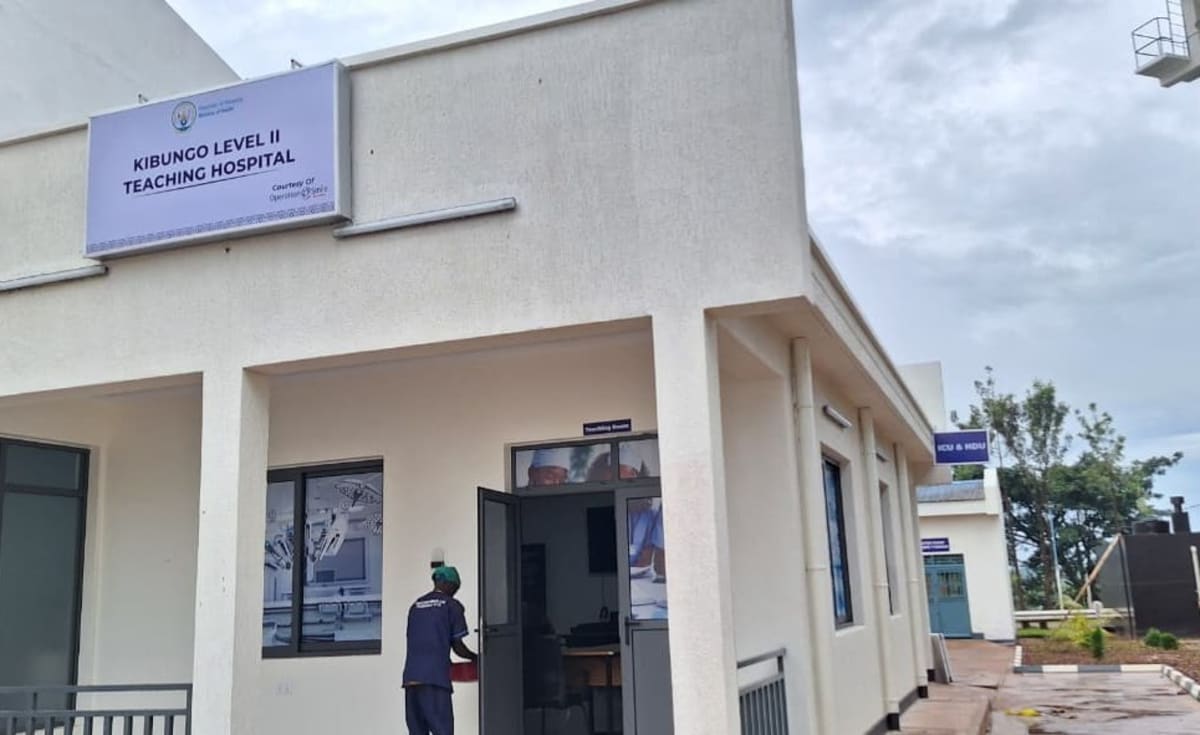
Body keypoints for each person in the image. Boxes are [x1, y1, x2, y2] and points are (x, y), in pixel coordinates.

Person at [403, 566, 478, 735]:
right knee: (442, 730)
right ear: (449, 584)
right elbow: (458, 646)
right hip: (435, 680)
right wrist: (477, 658)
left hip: (411, 679)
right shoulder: (452, 605)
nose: (456, 591)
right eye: (456, 587)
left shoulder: (415, 606)